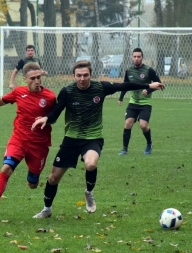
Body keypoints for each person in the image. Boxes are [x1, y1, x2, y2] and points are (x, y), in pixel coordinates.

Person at [31, 60, 165, 218]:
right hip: (71, 139)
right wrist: (46, 119)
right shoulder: (67, 91)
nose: (82, 79)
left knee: (91, 163)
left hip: (92, 138)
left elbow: (123, 86)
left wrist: (148, 86)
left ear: (91, 75)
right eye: (78, 76)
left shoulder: (100, 87)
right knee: (53, 178)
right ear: (74, 76)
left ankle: (88, 192)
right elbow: (56, 111)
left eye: (85, 75)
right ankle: (47, 209)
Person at [0, 62, 56, 218]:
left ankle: (33, 178)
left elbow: (55, 117)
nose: (37, 81)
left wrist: (46, 119)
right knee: (6, 168)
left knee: (32, 184)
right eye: (33, 78)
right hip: (19, 140)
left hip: (39, 145)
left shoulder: (50, 97)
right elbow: (0, 101)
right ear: (25, 79)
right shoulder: (18, 92)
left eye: (39, 77)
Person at [117, 48, 162, 156]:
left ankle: (149, 144)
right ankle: (124, 149)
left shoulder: (149, 70)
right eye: (135, 57)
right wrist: (121, 98)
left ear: (142, 58)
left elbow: (159, 84)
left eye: (139, 57)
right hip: (133, 102)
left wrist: (149, 90)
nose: (136, 59)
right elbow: (125, 85)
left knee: (143, 125)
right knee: (128, 123)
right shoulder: (129, 71)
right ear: (132, 57)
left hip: (145, 103)